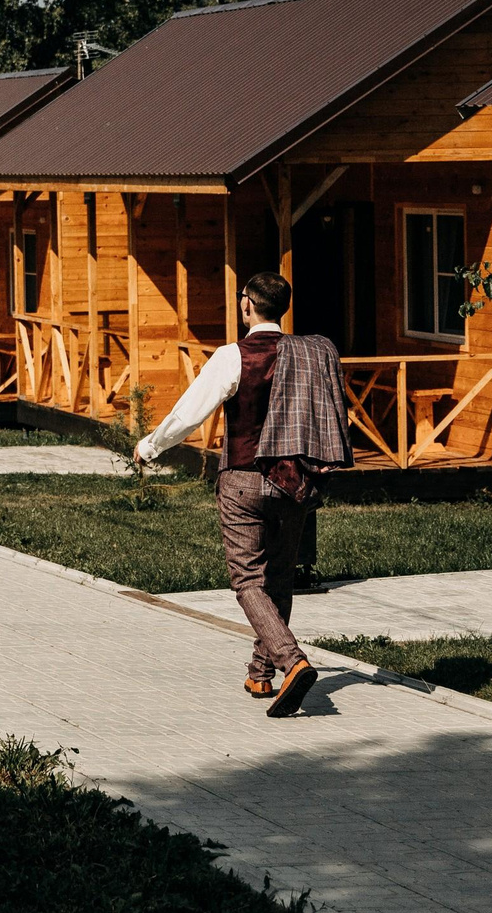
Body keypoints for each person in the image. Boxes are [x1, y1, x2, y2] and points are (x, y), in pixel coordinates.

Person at [135, 271, 352, 718]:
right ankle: (261, 673)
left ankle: (292, 662)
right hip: (293, 479)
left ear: (246, 305)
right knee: (279, 578)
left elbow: (190, 412)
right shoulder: (309, 354)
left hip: (243, 478)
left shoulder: (233, 355)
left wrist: (150, 446)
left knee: (249, 580)